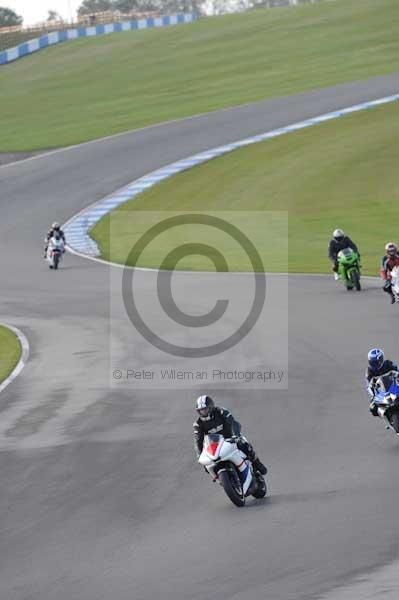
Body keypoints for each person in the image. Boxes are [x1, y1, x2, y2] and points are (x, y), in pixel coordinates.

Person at [193, 395, 267, 474]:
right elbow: (198, 441)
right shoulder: (198, 424)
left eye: (205, 409)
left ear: (211, 407)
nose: (203, 412)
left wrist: (235, 435)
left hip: (231, 438)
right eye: (201, 410)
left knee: (244, 445)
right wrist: (199, 455)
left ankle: (257, 464)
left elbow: (233, 423)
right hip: (216, 446)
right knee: (207, 466)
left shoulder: (221, 411)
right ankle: (220, 478)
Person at [366, 348, 398, 416]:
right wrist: (372, 393)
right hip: (380, 392)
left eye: (376, 362)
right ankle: (388, 420)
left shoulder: (388, 364)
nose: (375, 364)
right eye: (372, 363)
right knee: (372, 408)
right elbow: (368, 385)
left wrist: (397, 374)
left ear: (381, 360)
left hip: (392, 387)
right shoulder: (369, 371)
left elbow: (397, 370)